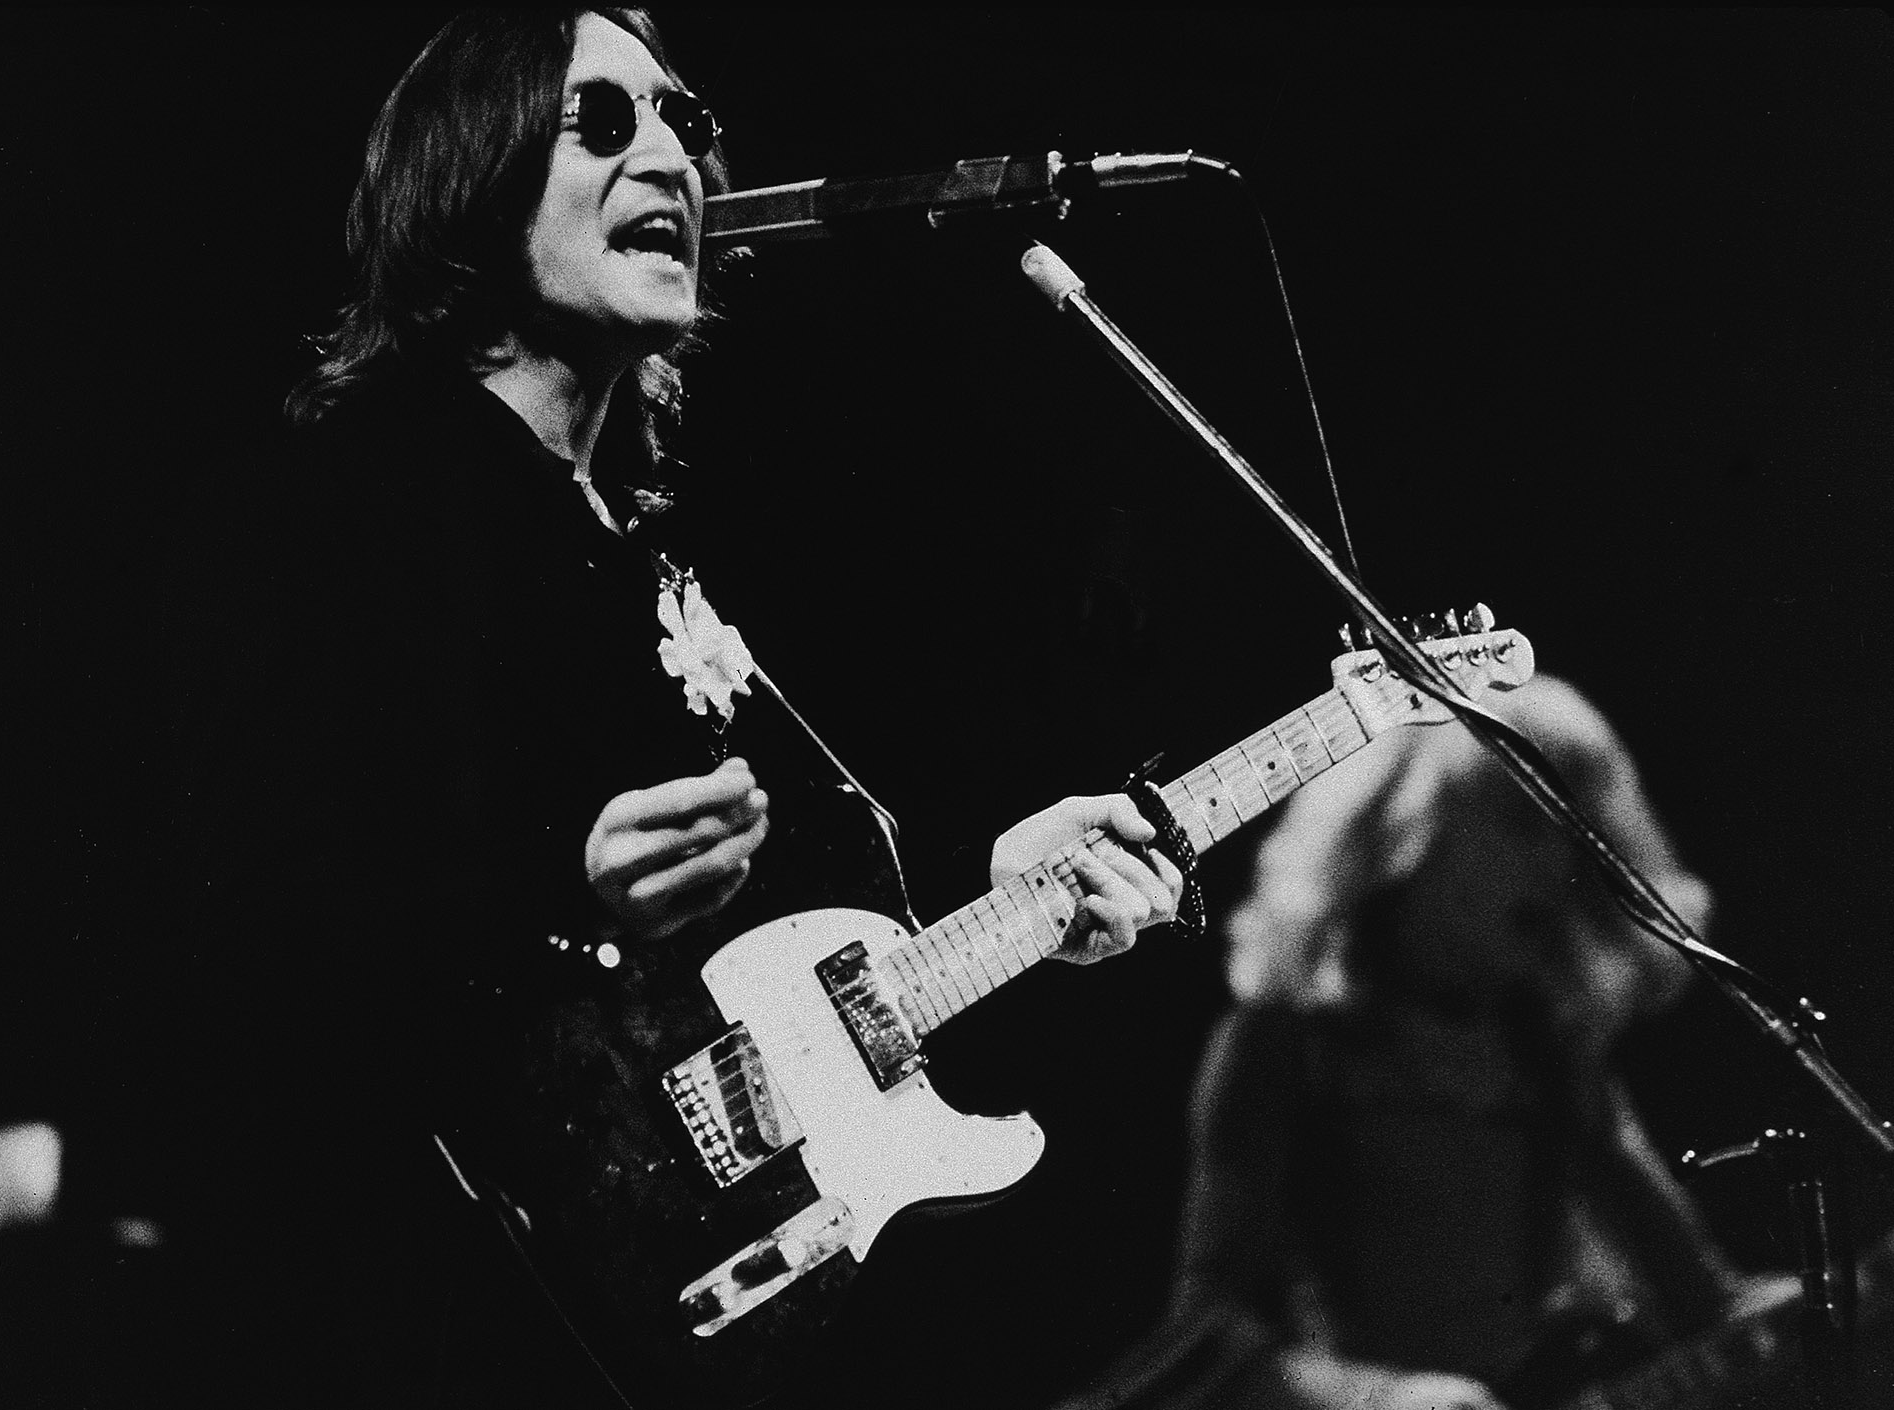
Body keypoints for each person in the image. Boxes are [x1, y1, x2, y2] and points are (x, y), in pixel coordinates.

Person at [165, 8, 1184, 1404]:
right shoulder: (357, 500)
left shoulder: (625, 541)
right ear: (473, 170)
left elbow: (794, 911)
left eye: (688, 126)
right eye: (603, 121)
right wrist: (559, 890)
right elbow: (237, 929)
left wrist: (997, 888)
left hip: (675, 1310)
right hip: (450, 1307)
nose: (675, 162)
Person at [1057, 674, 1760, 1410]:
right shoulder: (1283, 1044)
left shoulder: (1550, 1052)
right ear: (1409, 831)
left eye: (1570, 832)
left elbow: (1706, 1306)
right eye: (1521, 825)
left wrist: (1851, 1291)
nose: (1554, 867)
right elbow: (1206, 1333)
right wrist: (1379, 1399)